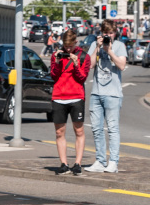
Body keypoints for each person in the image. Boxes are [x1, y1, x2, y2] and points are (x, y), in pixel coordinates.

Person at [86, 20, 126, 174]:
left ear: (115, 33)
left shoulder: (119, 46)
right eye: (105, 33)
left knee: (113, 129)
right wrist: (97, 47)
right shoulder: (95, 44)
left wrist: (109, 51)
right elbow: (89, 65)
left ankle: (113, 162)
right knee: (96, 128)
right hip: (96, 92)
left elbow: (121, 65)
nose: (108, 35)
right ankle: (100, 160)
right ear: (101, 32)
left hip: (113, 94)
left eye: (110, 33)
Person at [50, 29, 91, 176]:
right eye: (65, 46)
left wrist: (75, 64)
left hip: (76, 96)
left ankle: (77, 163)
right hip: (59, 96)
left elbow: (82, 78)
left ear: (75, 42)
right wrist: (56, 62)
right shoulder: (58, 55)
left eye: (70, 46)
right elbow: (54, 76)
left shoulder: (84, 56)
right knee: (59, 131)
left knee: (79, 130)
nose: (67, 49)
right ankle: (63, 163)